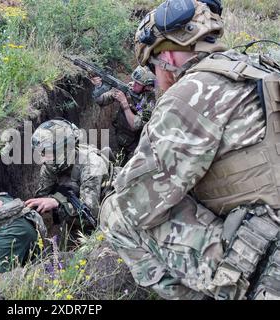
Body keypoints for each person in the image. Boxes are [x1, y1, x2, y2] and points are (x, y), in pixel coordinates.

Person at [100, 0, 280, 300]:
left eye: (151, 67)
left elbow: (137, 202)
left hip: (269, 269)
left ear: (166, 55)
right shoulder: (261, 70)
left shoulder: (193, 92)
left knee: (117, 213)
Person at [25, 118, 115, 244]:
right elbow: (41, 200)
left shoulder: (91, 165)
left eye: (46, 153)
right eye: (40, 153)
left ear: (63, 150)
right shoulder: (50, 166)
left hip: (107, 218)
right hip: (74, 220)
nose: (42, 159)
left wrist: (57, 203)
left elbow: (91, 215)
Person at [91, 66, 156, 163]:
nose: (133, 85)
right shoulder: (128, 89)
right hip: (120, 139)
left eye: (138, 84)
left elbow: (136, 125)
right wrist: (99, 87)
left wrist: (124, 103)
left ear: (147, 87)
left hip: (137, 146)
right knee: (117, 163)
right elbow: (101, 101)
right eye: (133, 81)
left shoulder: (150, 102)